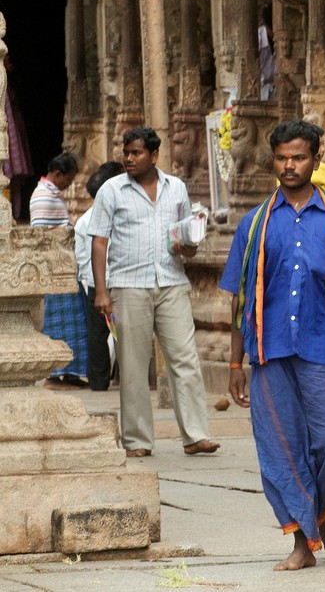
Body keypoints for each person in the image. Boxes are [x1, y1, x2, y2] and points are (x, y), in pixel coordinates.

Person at [221, 119, 325, 571]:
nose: (289, 166)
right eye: (282, 158)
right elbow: (239, 296)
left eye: (299, 158)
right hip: (269, 353)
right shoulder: (255, 223)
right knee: (279, 449)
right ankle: (302, 543)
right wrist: (235, 363)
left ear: (316, 159)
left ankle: (324, 509)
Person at [89, 127, 220, 458]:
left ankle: (195, 435)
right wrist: (101, 291)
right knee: (133, 364)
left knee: (186, 358)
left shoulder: (176, 188)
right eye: (126, 153)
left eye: (136, 153)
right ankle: (137, 440)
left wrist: (189, 242)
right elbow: (99, 241)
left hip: (171, 282)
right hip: (127, 285)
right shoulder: (111, 190)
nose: (129, 159)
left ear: (154, 155)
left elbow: (185, 240)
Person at [31, 152, 86, 389]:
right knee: (59, 323)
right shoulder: (44, 196)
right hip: (54, 268)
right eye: (68, 180)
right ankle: (55, 375)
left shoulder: (51, 194)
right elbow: (41, 236)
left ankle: (71, 373)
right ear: (58, 174)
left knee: (74, 323)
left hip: (64, 266)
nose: (69, 185)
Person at [75, 161, 125, 391]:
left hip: (97, 282)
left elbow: (82, 257)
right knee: (114, 330)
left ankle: (100, 380)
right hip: (106, 281)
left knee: (101, 332)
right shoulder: (93, 220)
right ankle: (116, 377)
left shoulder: (84, 220)